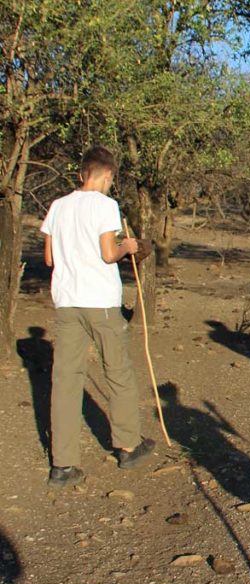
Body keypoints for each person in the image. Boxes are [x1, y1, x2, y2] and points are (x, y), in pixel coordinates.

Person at [41, 146, 156, 487]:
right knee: (117, 372)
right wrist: (129, 247)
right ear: (107, 175)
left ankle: (62, 466)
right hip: (101, 303)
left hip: (66, 301)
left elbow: (49, 259)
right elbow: (109, 253)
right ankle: (128, 445)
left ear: (81, 174)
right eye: (110, 179)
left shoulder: (57, 207)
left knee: (65, 380)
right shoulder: (106, 205)